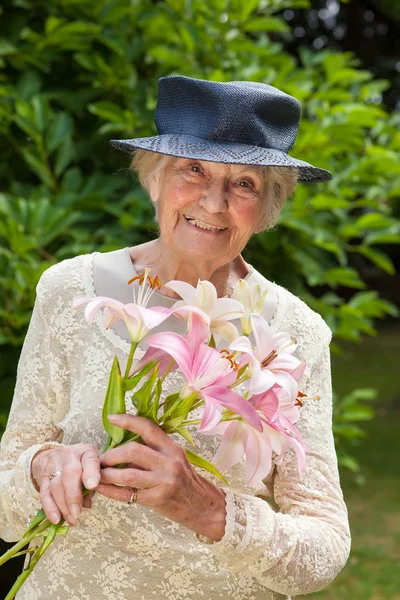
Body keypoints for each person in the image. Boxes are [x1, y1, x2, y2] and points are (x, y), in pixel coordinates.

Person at [0, 76, 351, 599]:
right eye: (193, 169)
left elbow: (324, 546)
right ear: (155, 179)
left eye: (245, 184)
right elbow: (8, 489)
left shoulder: (293, 334)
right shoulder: (70, 290)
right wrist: (42, 468)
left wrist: (208, 509)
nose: (213, 202)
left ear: (269, 206)